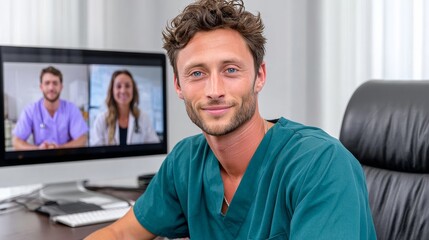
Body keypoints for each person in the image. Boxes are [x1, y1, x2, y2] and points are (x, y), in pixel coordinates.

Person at [86, 0, 376, 239]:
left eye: (231, 70)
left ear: (259, 76)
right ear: (178, 85)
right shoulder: (187, 162)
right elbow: (121, 234)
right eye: (197, 73)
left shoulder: (320, 164)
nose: (214, 91)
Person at [12, 66, 88, 150]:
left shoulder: (71, 109)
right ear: (41, 87)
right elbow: (16, 142)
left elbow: (82, 139)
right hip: (40, 160)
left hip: (67, 159)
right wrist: (38, 150)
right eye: (47, 83)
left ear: (61, 87)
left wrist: (60, 148)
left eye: (55, 83)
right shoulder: (30, 111)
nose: (51, 88)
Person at [90, 70, 160, 146]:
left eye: (127, 86)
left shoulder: (143, 118)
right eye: (118, 86)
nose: (123, 91)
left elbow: (154, 146)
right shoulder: (101, 120)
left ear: (133, 90)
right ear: (112, 91)